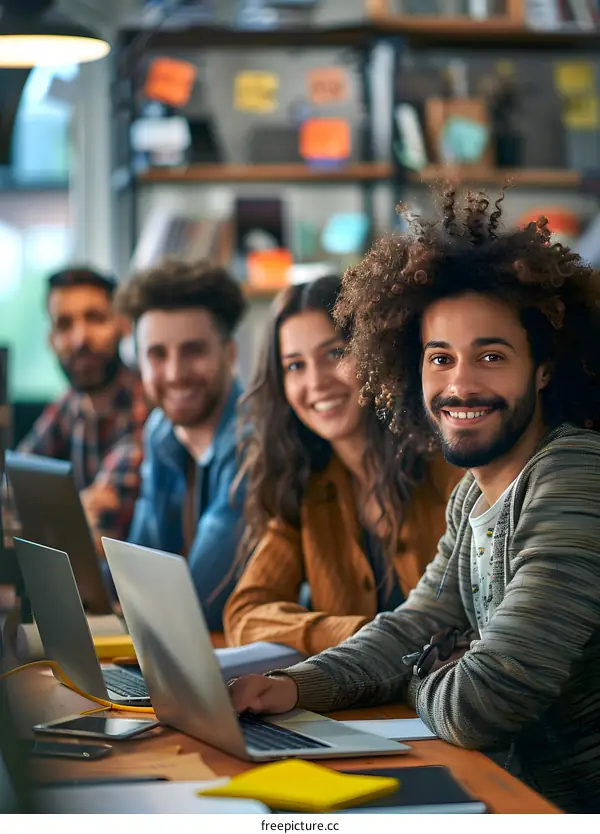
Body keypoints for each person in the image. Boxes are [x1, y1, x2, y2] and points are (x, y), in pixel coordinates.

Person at [229, 190, 600, 813]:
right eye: (439, 358)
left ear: (542, 368)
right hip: (511, 796)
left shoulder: (573, 473)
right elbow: (412, 625)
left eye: (490, 355)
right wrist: (291, 687)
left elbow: (482, 702)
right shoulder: (470, 496)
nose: (460, 383)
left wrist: (420, 669)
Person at [224, 276, 461, 655]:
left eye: (334, 354)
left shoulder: (451, 466)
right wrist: (365, 635)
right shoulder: (307, 486)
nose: (315, 382)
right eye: (295, 366)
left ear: (376, 352)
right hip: (370, 710)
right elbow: (246, 613)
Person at [114, 258, 248, 630]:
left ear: (230, 353)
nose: (174, 374)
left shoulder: (256, 438)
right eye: (157, 354)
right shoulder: (160, 431)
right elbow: (140, 571)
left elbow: (195, 603)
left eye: (194, 351)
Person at [5, 267, 148, 548]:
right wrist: (74, 511)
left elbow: (105, 521)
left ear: (123, 325)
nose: (80, 339)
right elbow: (11, 490)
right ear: (51, 339)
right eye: (64, 324)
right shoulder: (69, 405)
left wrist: (46, 515)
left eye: (95, 318)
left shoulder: (146, 405)